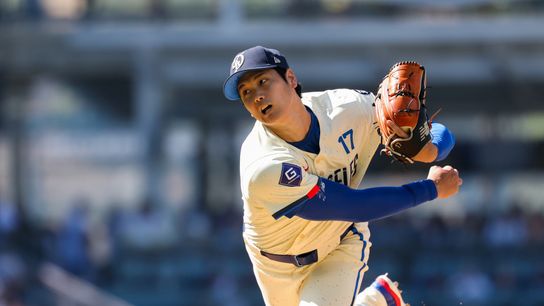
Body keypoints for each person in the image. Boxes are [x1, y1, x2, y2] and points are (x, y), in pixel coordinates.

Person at [222, 46, 461, 306]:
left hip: (339, 242)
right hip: (275, 265)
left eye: (263, 81)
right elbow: (354, 205)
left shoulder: (348, 109)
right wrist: (430, 188)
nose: (257, 95)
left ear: (291, 79)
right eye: (246, 92)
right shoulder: (264, 165)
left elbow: (437, 130)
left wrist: (429, 148)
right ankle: (377, 302)